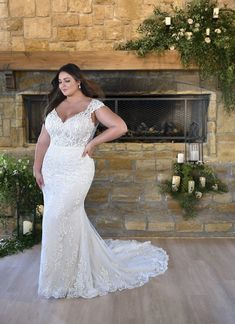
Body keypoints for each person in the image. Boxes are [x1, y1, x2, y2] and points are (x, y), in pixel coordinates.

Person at [34, 63, 168, 299]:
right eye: (59, 81)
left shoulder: (93, 106)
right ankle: (59, 276)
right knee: (58, 220)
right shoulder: (54, 106)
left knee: (59, 216)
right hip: (52, 171)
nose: (62, 85)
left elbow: (120, 127)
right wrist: (37, 168)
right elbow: (43, 141)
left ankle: (71, 274)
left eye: (67, 80)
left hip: (77, 168)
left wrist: (93, 142)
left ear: (78, 81)